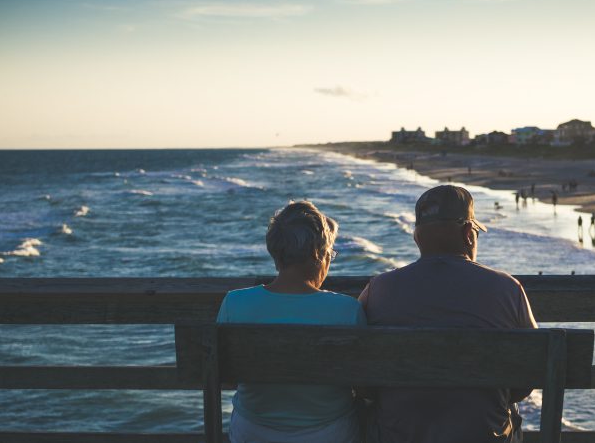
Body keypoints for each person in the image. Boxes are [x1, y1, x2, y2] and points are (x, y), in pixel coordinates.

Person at [359, 185, 537, 443]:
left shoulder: (378, 289)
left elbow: (362, 379)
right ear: (468, 234)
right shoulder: (508, 289)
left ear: (417, 238)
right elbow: (530, 373)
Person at [217, 201, 364, 443]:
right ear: (319, 254)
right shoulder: (347, 309)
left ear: (276, 255)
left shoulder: (234, 303)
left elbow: (228, 376)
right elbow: (362, 383)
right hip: (329, 433)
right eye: (330, 254)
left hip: (253, 431)